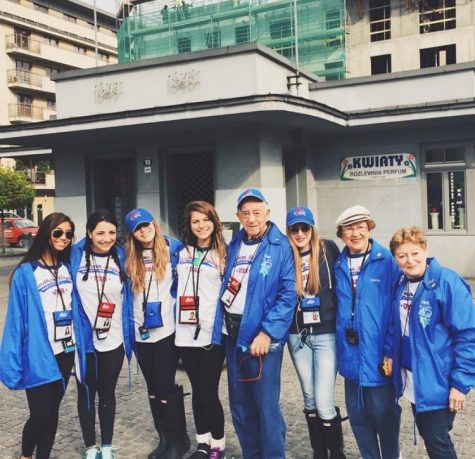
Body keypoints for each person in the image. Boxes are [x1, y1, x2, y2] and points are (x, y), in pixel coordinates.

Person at [211, 188, 296, 459]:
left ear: (268, 213)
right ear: (238, 216)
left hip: (260, 339)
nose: (251, 218)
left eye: (257, 212)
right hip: (232, 335)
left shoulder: (280, 246)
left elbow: (288, 295)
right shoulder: (234, 244)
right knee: (240, 404)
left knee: (265, 406)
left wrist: (267, 333)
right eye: (245, 213)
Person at [388, 226, 475, 458]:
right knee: (433, 436)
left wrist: (460, 384)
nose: (410, 260)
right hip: (415, 380)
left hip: (438, 381)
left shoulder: (447, 282)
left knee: (438, 443)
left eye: (414, 253)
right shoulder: (401, 283)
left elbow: (467, 334)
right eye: (402, 255)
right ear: (395, 259)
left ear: (424, 249)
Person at [0, 212, 77, 459]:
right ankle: (25, 455)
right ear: (46, 233)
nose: (64, 238)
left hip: (66, 351)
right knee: (41, 413)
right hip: (38, 353)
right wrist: (12, 361)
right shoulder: (26, 272)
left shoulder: (67, 267)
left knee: (53, 411)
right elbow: (15, 322)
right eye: (58, 232)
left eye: (68, 234)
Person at [334, 205, 401, 459]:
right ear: (341, 233)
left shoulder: (387, 261)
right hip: (350, 361)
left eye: (360, 227)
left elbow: (397, 314)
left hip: (379, 359)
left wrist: (390, 351)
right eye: (349, 228)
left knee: (386, 420)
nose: (355, 233)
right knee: (359, 421)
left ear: (369, 228)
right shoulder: (338, 263)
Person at [124, 207, 190, 459]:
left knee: (164, 384)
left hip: (167, 330)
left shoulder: (173, 248)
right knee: (152, 387)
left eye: (146, 224)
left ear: (153, 223)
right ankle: (164, 439)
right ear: (132, 234)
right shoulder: (128, 255)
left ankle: (179, 440)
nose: (144, 230)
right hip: (140, 331)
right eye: (137, 228)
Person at [71, 210, 134, 459]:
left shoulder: (121, 256)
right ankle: (89, 446)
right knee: (86, 392)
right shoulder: (75, 255)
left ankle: (106, 445)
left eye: (111, 232)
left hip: (114, 338)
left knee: (107, 392)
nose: (106, 238)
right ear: (89, 233)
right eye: (100, 233)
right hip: (84, 340)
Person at [285, 206, 345, 459]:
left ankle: (336, 452)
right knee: (309, 398)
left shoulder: (328, 249)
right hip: (297, 335)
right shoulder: (285, 255)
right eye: (294, 229)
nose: (300, 233)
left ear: (312, 229)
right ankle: (319, 451)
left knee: (323, 400)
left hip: (325, 332)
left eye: (304, 228)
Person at [176, 201, 227, 459]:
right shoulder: (181, 252)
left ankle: (218, 443)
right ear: (189, 226)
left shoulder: (224, 254)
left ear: (214, 221)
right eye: (195, 221)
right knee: (197, 391)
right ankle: (202, 442)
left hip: (211, 333)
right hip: (185, 332)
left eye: (205, 219)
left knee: (208, 391)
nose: (201, 225)